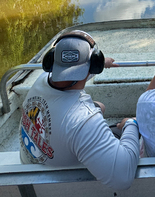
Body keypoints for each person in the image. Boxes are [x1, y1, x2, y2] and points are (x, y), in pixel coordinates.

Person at [19, 30, 140, 190]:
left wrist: (101, 64)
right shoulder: (83, 120)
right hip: (61, 188)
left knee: (99, 106)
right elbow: (122, 179)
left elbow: (68, 76)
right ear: (94, 66)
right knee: (132, 131)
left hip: (31, 169)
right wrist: (131, 124)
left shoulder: (42, 80)